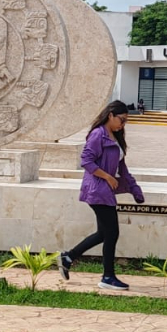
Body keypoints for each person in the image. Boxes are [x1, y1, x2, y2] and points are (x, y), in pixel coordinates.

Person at [60, 100, 145, 290]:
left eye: (126, 121)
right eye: (121, 120)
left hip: (106, 190)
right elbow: (86, 161)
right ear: (111, 116)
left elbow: (122, 168)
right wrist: (107, 177)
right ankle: (107, 277)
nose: (123, 124)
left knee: (104, 233)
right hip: (97, 189)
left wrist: (134, 189)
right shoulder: (98, 135)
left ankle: (69, 257)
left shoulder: (115, 137)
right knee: (111, 232)